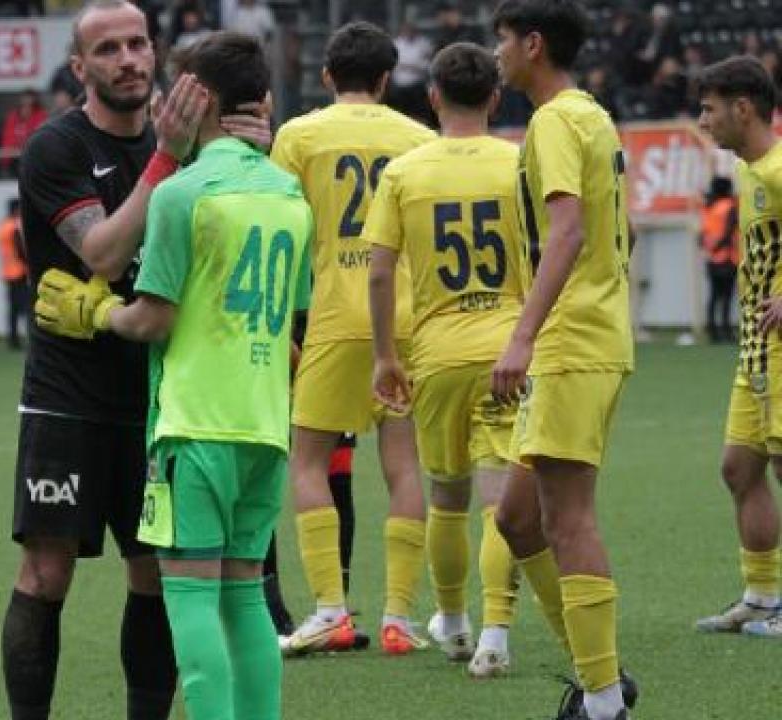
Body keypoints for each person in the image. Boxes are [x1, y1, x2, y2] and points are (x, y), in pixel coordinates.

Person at [2, 2, 269, 718]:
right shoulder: (56, 148)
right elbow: (104, 253)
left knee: (154, 573)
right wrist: (167, 158)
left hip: (164, 395)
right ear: (79, 67)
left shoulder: (192, 144)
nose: (127, 59)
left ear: (155, 52)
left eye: (137, 44)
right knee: (47, 571)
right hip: (68, 394)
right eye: (107, 49)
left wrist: (249, 157)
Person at [490, 2, 639, 717]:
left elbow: (569, 231)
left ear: (533, 45)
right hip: (589, 336)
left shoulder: (554, 120)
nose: (496, 53)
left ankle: (604, 701)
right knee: (516, 518)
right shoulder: (593, 116)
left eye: (501, 40)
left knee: (568, 519)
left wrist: (522, 335)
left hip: (572, 341)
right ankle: (598, 673)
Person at [270, 20, 435, 657]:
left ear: (326, 75)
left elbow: (282, 228)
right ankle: (398, 617)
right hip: (406, 317)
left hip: (335, 315)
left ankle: (330, 611)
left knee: (308, 462)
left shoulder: (298, 136)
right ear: (388, 79)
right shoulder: (419, 138)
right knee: (404, 467)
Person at [367, 42, 525, 678]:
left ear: (432, 96)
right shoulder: (519, 164)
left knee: (448, 496)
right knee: (499, 501)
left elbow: (381, 273)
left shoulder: (405, 173)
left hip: (437, 353)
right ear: (495, 97)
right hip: (507, 348)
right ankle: (496, 636)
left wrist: (385, 355)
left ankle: (453, 622)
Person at [692, 55, 782, 638]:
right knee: (739, 467)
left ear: (743, 108)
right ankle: (762, 596)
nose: (704, 122)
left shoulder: (777, 168)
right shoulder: (750, 173)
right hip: (754, 348)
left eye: (709, 110)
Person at [699, 176, 739, 344]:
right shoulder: (729, 206)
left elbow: (702, 234)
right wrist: (718, 248)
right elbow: (729, 231)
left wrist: (709, 249)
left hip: (712, 258)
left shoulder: (708, 206)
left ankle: (713, 332)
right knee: (727, 297)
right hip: (727, 257)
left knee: (714, 296)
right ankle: (726, 331)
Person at [0, 197, 28, 349]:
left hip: (7, 272)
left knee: (13, 309)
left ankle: (13, 339)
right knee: (26, 307)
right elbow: (20, 250)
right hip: (19, 271)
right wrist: (28, 264)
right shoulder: (14, 228)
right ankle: (30, 338)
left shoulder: (2, 227)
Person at [0, 90, 49, 178]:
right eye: (24, 104)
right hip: (13, 159)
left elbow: (38, 136)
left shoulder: (41, 116)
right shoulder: (12, 116)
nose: (26, 107)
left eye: (29, 104)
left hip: (32, 159)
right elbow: (7, 138)